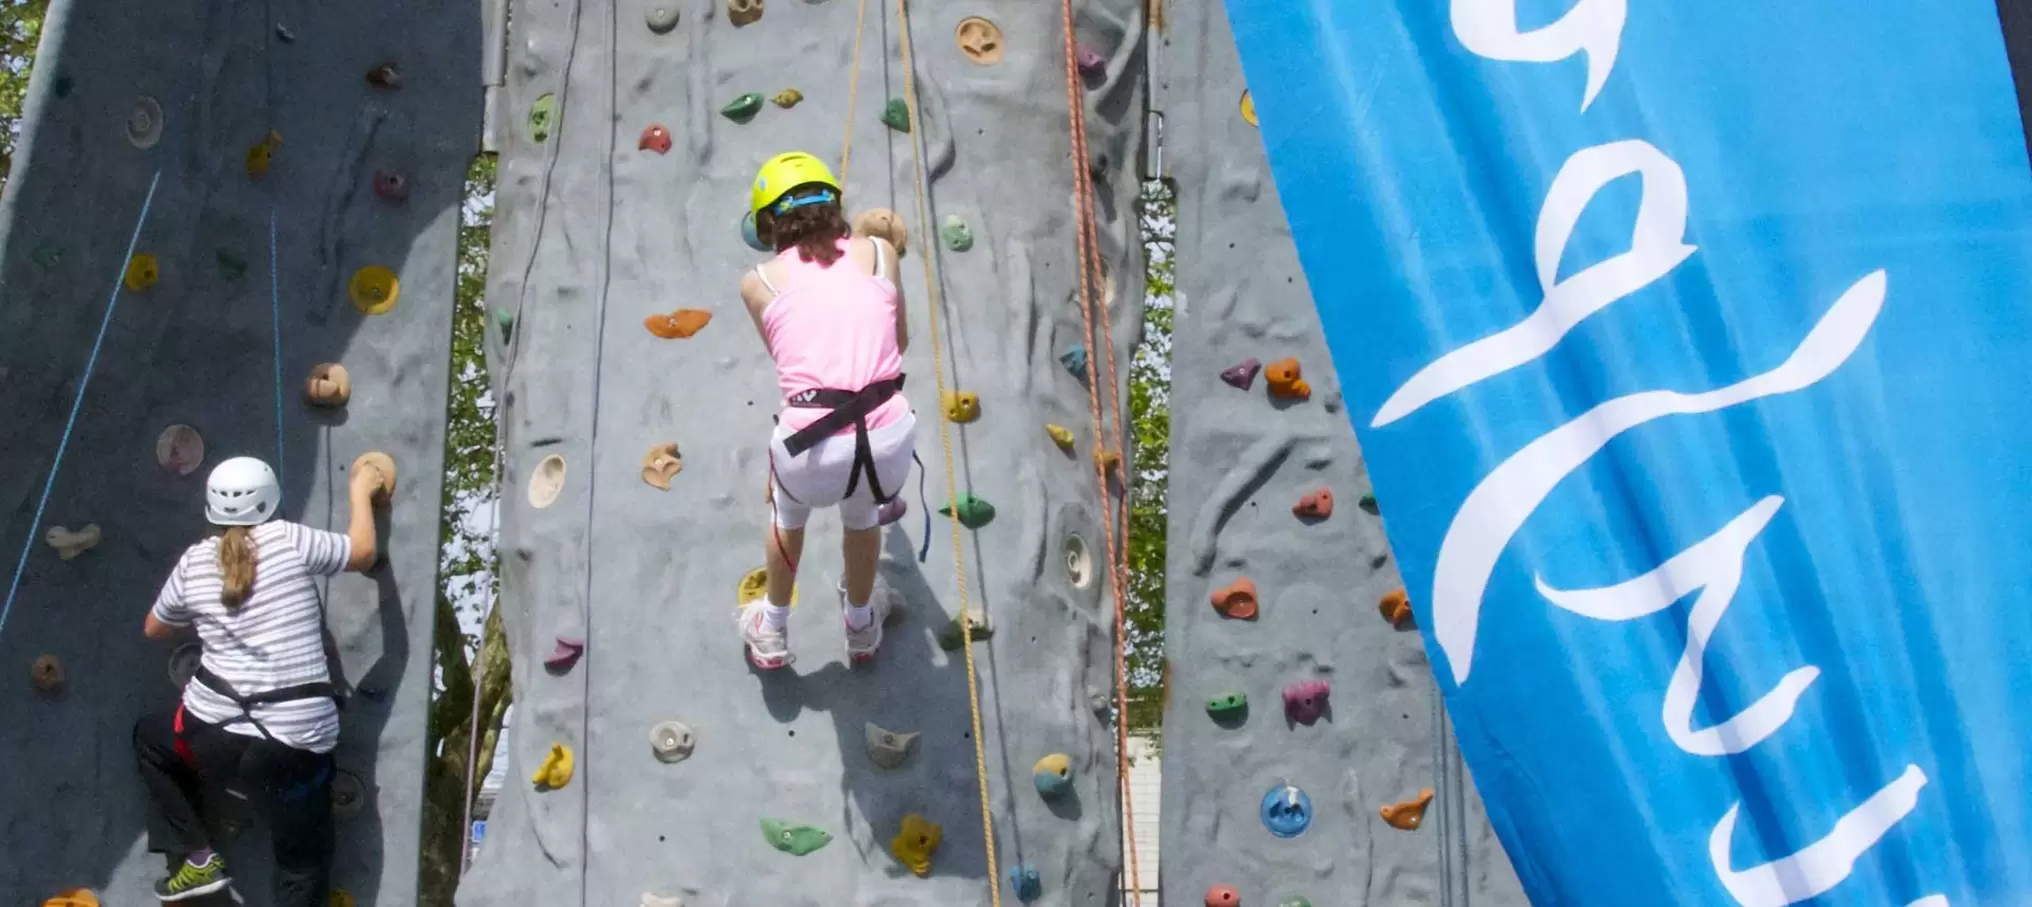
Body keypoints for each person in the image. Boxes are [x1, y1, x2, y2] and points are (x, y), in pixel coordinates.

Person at [132, 454, 389, 903]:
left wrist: (209, 614)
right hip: (292, 751)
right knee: (300, 864)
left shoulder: (194, 562)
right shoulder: (287, 539)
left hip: (212, 738)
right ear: (271, 501)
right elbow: (363, 551)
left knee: (152, 740)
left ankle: (197, 858)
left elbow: (154, 627)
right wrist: (360, 488)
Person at [737, 150, 915, 670]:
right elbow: (898, 342)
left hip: (811, 441)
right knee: (861, 515)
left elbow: (790, 357)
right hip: (885, 438)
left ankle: (771, 628)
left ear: (770, 221)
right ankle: (860, 626)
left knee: (786, 512)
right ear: (834, 204)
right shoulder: (882, 253)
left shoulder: (759, 281)